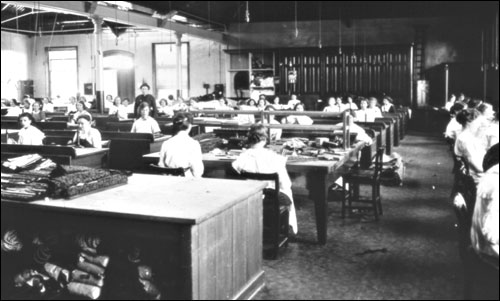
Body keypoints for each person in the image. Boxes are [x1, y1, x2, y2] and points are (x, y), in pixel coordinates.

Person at [231, 124, 298, 234]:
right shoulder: (274, 158)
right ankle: (287, 228)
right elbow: (285, 184)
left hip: (249, 196)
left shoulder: (240, 159)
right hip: (271, 198)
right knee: (287, 190)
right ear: (265, 139)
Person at [470, 143, 499, 269]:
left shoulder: (491, 175)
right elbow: (492, 234)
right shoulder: (496, 183)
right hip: (489, 251)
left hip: (480, 241)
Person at [158, 112, 204, 178]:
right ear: (190, 126)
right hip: (187, 182)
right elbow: (197, 172)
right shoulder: (194, 144)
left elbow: (161, 165)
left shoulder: (166, 143)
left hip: (168, 181)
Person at [454, 109, 485, 184]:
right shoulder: (465, 139)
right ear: (469, 122)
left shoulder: (467, 136)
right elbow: (477, 167)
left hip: (475, 174)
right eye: (478, 121)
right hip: (477, 178)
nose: (480, 124)